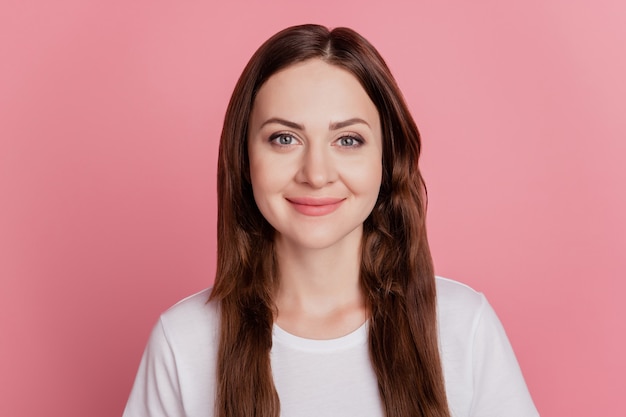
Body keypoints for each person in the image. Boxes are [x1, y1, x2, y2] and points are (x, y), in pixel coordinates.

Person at [123, 24, 539, 417]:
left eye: (348, 139)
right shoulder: (183, 342)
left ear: (385, 160)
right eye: (284, 138)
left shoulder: (463, 327)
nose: (316, 173)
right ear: (245, 160)